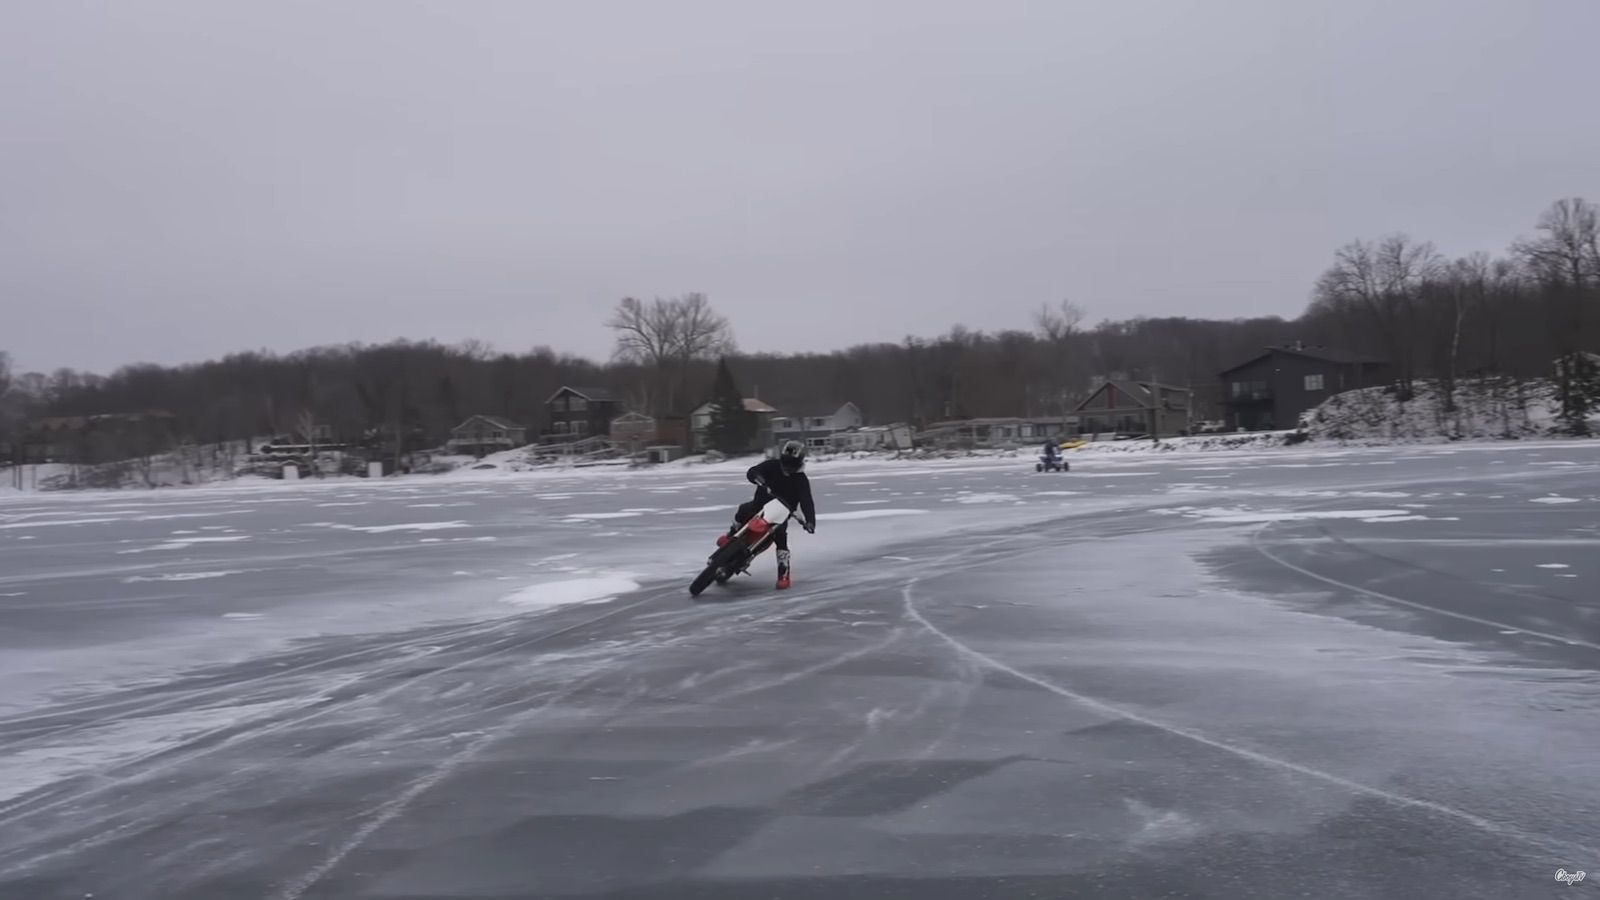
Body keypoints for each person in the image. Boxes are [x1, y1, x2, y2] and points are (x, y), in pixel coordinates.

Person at [720, 440, 816, 589]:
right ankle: (730, 535)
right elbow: (753, 471)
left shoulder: (801, 480)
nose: (788, 467)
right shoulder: (771, 466)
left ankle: (784, 574)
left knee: (781, 539)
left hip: (781, 514)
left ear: (799, 462)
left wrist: (810, 521)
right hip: (760, 507)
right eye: (786, 462)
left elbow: (806, 500)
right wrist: (757, 478)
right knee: (742, 510)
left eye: (792, 463)